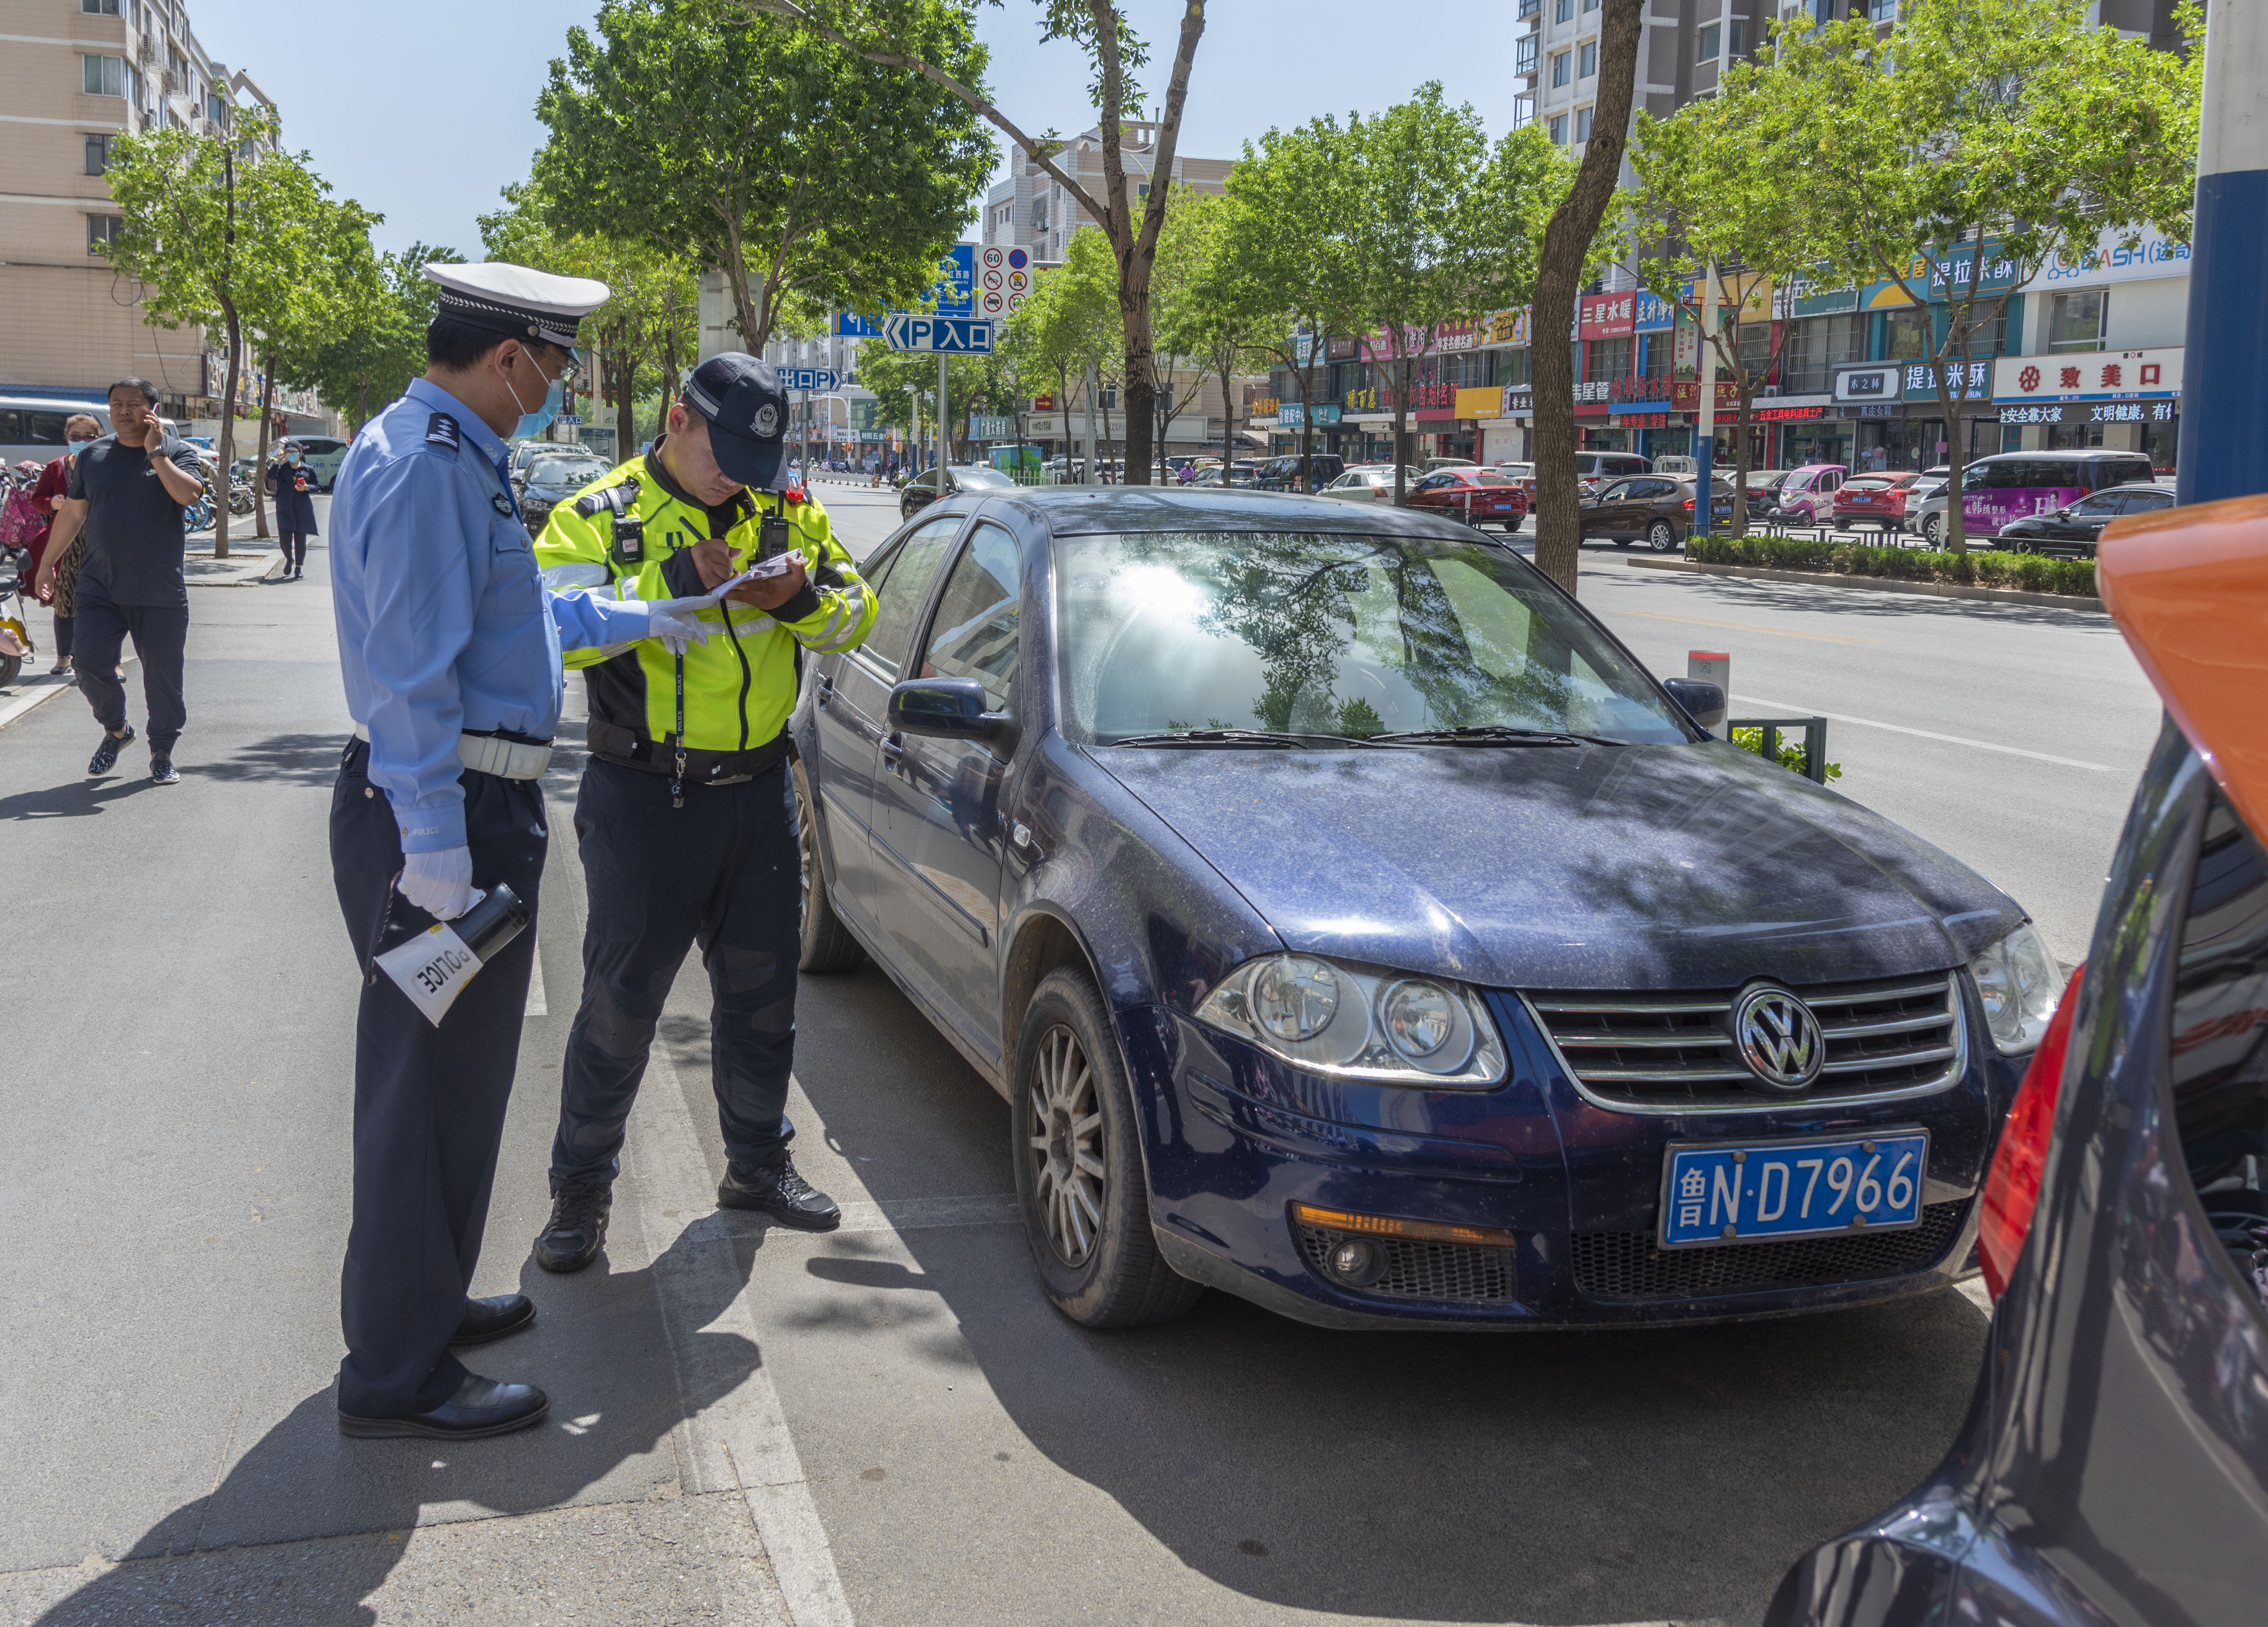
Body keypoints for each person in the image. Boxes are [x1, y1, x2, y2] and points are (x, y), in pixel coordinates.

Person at [326, 262, 711, 1442]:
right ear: (507, 359)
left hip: (475, 813)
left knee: (460, 1083)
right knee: (421, 1091)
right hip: (442, 822)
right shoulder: (429, 469)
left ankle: (423, 1305)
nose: (559, 386)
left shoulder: (452, 455)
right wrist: (435, 852)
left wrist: (640, 617)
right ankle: (394, 1370)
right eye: (556, 364)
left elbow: (519, 620)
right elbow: (408, 678)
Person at [528, 352, 878, 1275]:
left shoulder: (785, 513)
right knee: (620, 1005)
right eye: (721, 451)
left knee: (764, 999)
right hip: (646, 798)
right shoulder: (599, 513)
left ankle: (758, 1165)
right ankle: (580, 1191)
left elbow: (858, 613)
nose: (736, 476)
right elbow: (547, 628)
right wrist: (670, 583)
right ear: (677, 419)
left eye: (752, 460)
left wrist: (796, 597)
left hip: (760, 795)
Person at [42, 382, 203, 783]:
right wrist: (48, 563)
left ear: (153, 409)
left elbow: (190, 495)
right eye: (117, 405)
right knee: (90, 662)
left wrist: (156, 452)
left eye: (134, 405)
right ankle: (117, 730)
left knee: (163, 679)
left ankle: (162, 752)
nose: (124, 411)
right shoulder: (94, 456)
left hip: (159, 589)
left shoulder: (177, 452)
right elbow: (73, 515)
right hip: (99, 584)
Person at [31, 417, 105, 675]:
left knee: (101, 603)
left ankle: (103, 659)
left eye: (89, 436)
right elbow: (37, 500)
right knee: (64, 601)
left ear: (100, 437)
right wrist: (52, 503)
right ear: (66, 438)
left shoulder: (107, 464)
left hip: (100, 542)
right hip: (65, 545)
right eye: (75, 436)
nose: (81, 442)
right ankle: (64, 656)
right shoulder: (56, 468)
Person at [266, 442, 319, 580]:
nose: (291, 456)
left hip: (302, 509)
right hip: (285, 508)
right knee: (285, 541)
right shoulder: (282, 468)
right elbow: (271, 477)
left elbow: (317, 485)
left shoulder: (308, 469)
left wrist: (307, 488)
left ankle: (299, 568)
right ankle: (289, 559)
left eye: (294, 453)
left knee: (301, 541)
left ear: (300, 453)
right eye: (288, 453)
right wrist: (277, 462)